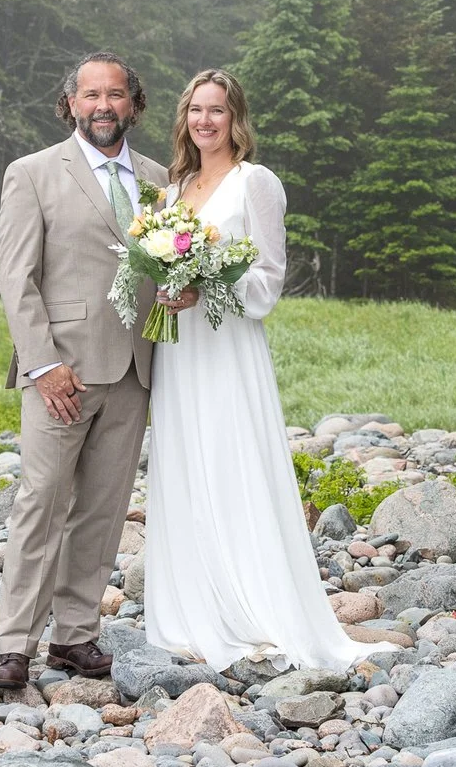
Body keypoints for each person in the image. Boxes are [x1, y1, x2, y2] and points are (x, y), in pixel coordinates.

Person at [141, 70, 391, 671]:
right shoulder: (173, 191)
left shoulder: (256, 183)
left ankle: (254, 605)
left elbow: (268, 282)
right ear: (184, 119)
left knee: (233, 462)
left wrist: (206, 287)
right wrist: (168, 290)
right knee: (185, 462)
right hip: (180, 352)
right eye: (196, 110)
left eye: (217, 111)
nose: (205, 121)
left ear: (236, 119)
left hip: (229, 349)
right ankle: (192, 606)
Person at [0, 52, 169, 691]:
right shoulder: (33, 173)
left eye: (115, 95)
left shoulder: (159, 182)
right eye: (91, 94)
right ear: (70, 104)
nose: (103, 106)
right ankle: (15, 643)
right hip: (60, 371)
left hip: (134, 367)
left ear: (134, 104)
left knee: (102, 509)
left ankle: (75, 636)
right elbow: (17, 277)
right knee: (40, 502)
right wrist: (43, 365)